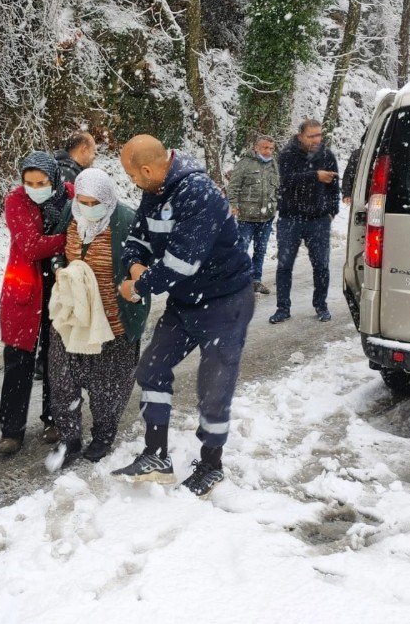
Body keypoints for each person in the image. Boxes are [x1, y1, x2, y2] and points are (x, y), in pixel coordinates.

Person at [110, 136, 254, 498]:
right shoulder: (154, 189)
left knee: (213, 389)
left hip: (225, 302)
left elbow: (181, 263)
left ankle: (211, 465)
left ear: (146, 169)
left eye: (132, 176)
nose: (133, 183)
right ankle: (156, 454)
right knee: (152, 368)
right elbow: (137, 239)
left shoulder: (198, 193)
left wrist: (139, 286)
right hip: (185, 301)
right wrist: (135, 264)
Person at [45, 168, 151, 468]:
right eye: (83, 201)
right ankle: (70, 437)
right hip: (73, 316)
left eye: (95, 203)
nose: (88, 208)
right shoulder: (70, 213)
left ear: (107, 199)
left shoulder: (127, 222)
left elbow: (143, 267)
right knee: (63, 380)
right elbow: (56, 250)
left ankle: (104, 433)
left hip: (113, 319)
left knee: (108, 385)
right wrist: (59, 269)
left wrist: (134, 287)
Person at [0, 151, 72, 454]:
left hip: (57, 288)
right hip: (24, 291)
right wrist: (67, 239)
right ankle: (11, 430)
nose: (34, 187)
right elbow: (29, 247)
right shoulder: (16, 201)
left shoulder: (68, 195)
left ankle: (53, 419)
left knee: (56, 357)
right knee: (18, 360)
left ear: (53, 179)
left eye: (41, 182)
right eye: (28, 182)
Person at [270, 118, 340, 325]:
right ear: (301, 135)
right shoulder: (287, 155)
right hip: (290, 218)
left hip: (318, 219)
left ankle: (321, 305)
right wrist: (314, 176)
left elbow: (334, 188)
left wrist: (332, 211)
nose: (317, 139)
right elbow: (285, 181)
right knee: (284, 266)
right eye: (312, 135)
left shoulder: (327, 155)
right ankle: (283, 308)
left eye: (320, 134)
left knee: (321, 265)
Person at [226, 134, 279, 295]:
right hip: (246, 217)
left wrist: (276, 204)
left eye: (271, 148)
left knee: (261, 250)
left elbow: (277, 187)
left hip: (266, 216)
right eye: (265, 147)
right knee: (242, 249)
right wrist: (233, 205)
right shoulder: (244, 164)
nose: (268, 151)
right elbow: (233, 187)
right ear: (256, 148)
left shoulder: (274, 164)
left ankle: (256, 280)